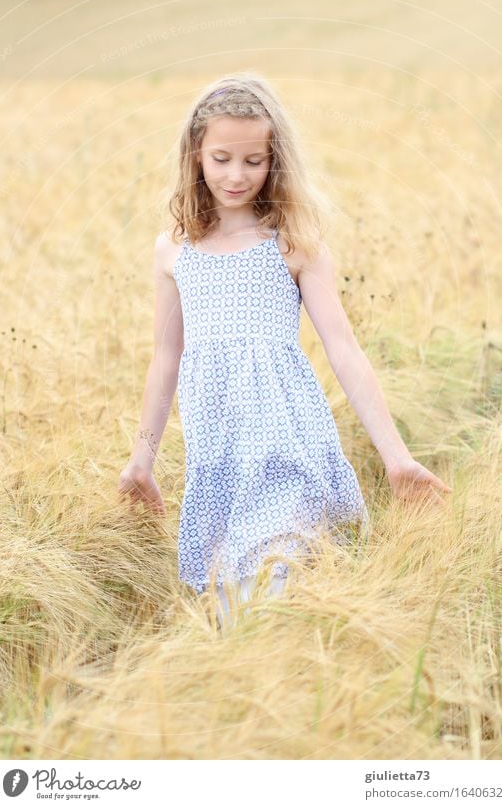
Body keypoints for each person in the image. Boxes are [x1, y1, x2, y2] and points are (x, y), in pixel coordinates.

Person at [118, 72, 452, 627]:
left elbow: (344, 350)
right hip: (217, 459)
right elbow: (165, 360)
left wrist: (397, 458)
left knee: (279, 597)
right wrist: (141, 459)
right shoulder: (173, 252)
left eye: (254, 160)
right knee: (233, 617)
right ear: (195, 155)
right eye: (221, 157)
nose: (236, 175)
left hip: (287, 447)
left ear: (276, 161)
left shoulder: (294, 244)